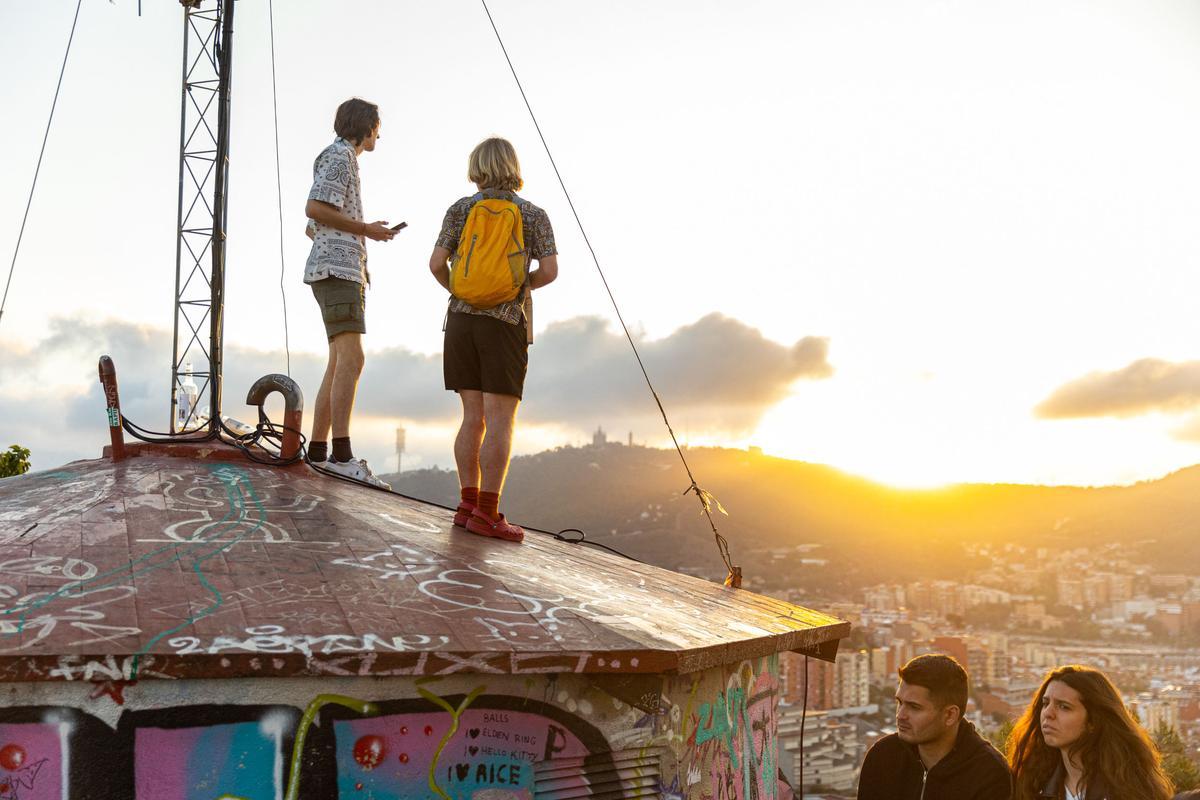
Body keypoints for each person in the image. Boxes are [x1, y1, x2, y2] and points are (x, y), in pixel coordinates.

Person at [428, 137, 558, 542]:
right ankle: (488, 513)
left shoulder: (461, 209)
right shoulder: (533, 214)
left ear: (477, 166)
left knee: (472, 416)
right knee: (501, 419)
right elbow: (550, 270)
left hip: (461, 322)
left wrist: (463, 292)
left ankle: (466, 506)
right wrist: (517, 290)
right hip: (505, 323)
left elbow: (435, 264)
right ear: (513, 166)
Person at [303, 97, 394, 488]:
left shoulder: (339, 157)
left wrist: (359, 247)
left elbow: (321, 219)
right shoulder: (341, 158)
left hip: (339, 269)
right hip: (337, 271)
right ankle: (342, 456)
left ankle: (320, 453)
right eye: (378, 125)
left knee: (339, 363)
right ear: (365, 125)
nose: (380, 133)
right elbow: (315, 208)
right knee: (353, 360)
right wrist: (366, 230)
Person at [858, 654, 1011, 800]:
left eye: (914, 707)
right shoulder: (883, 756)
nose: (900, 715)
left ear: (950, 715)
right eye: (900, 702)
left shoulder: (990, 774)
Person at [1007, 664, 1172, 800]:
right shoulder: (1032, 786)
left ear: (1093, 721)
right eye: (1045, 703)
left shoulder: (1130, 791)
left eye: (1064, 706)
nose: (1048, 714)